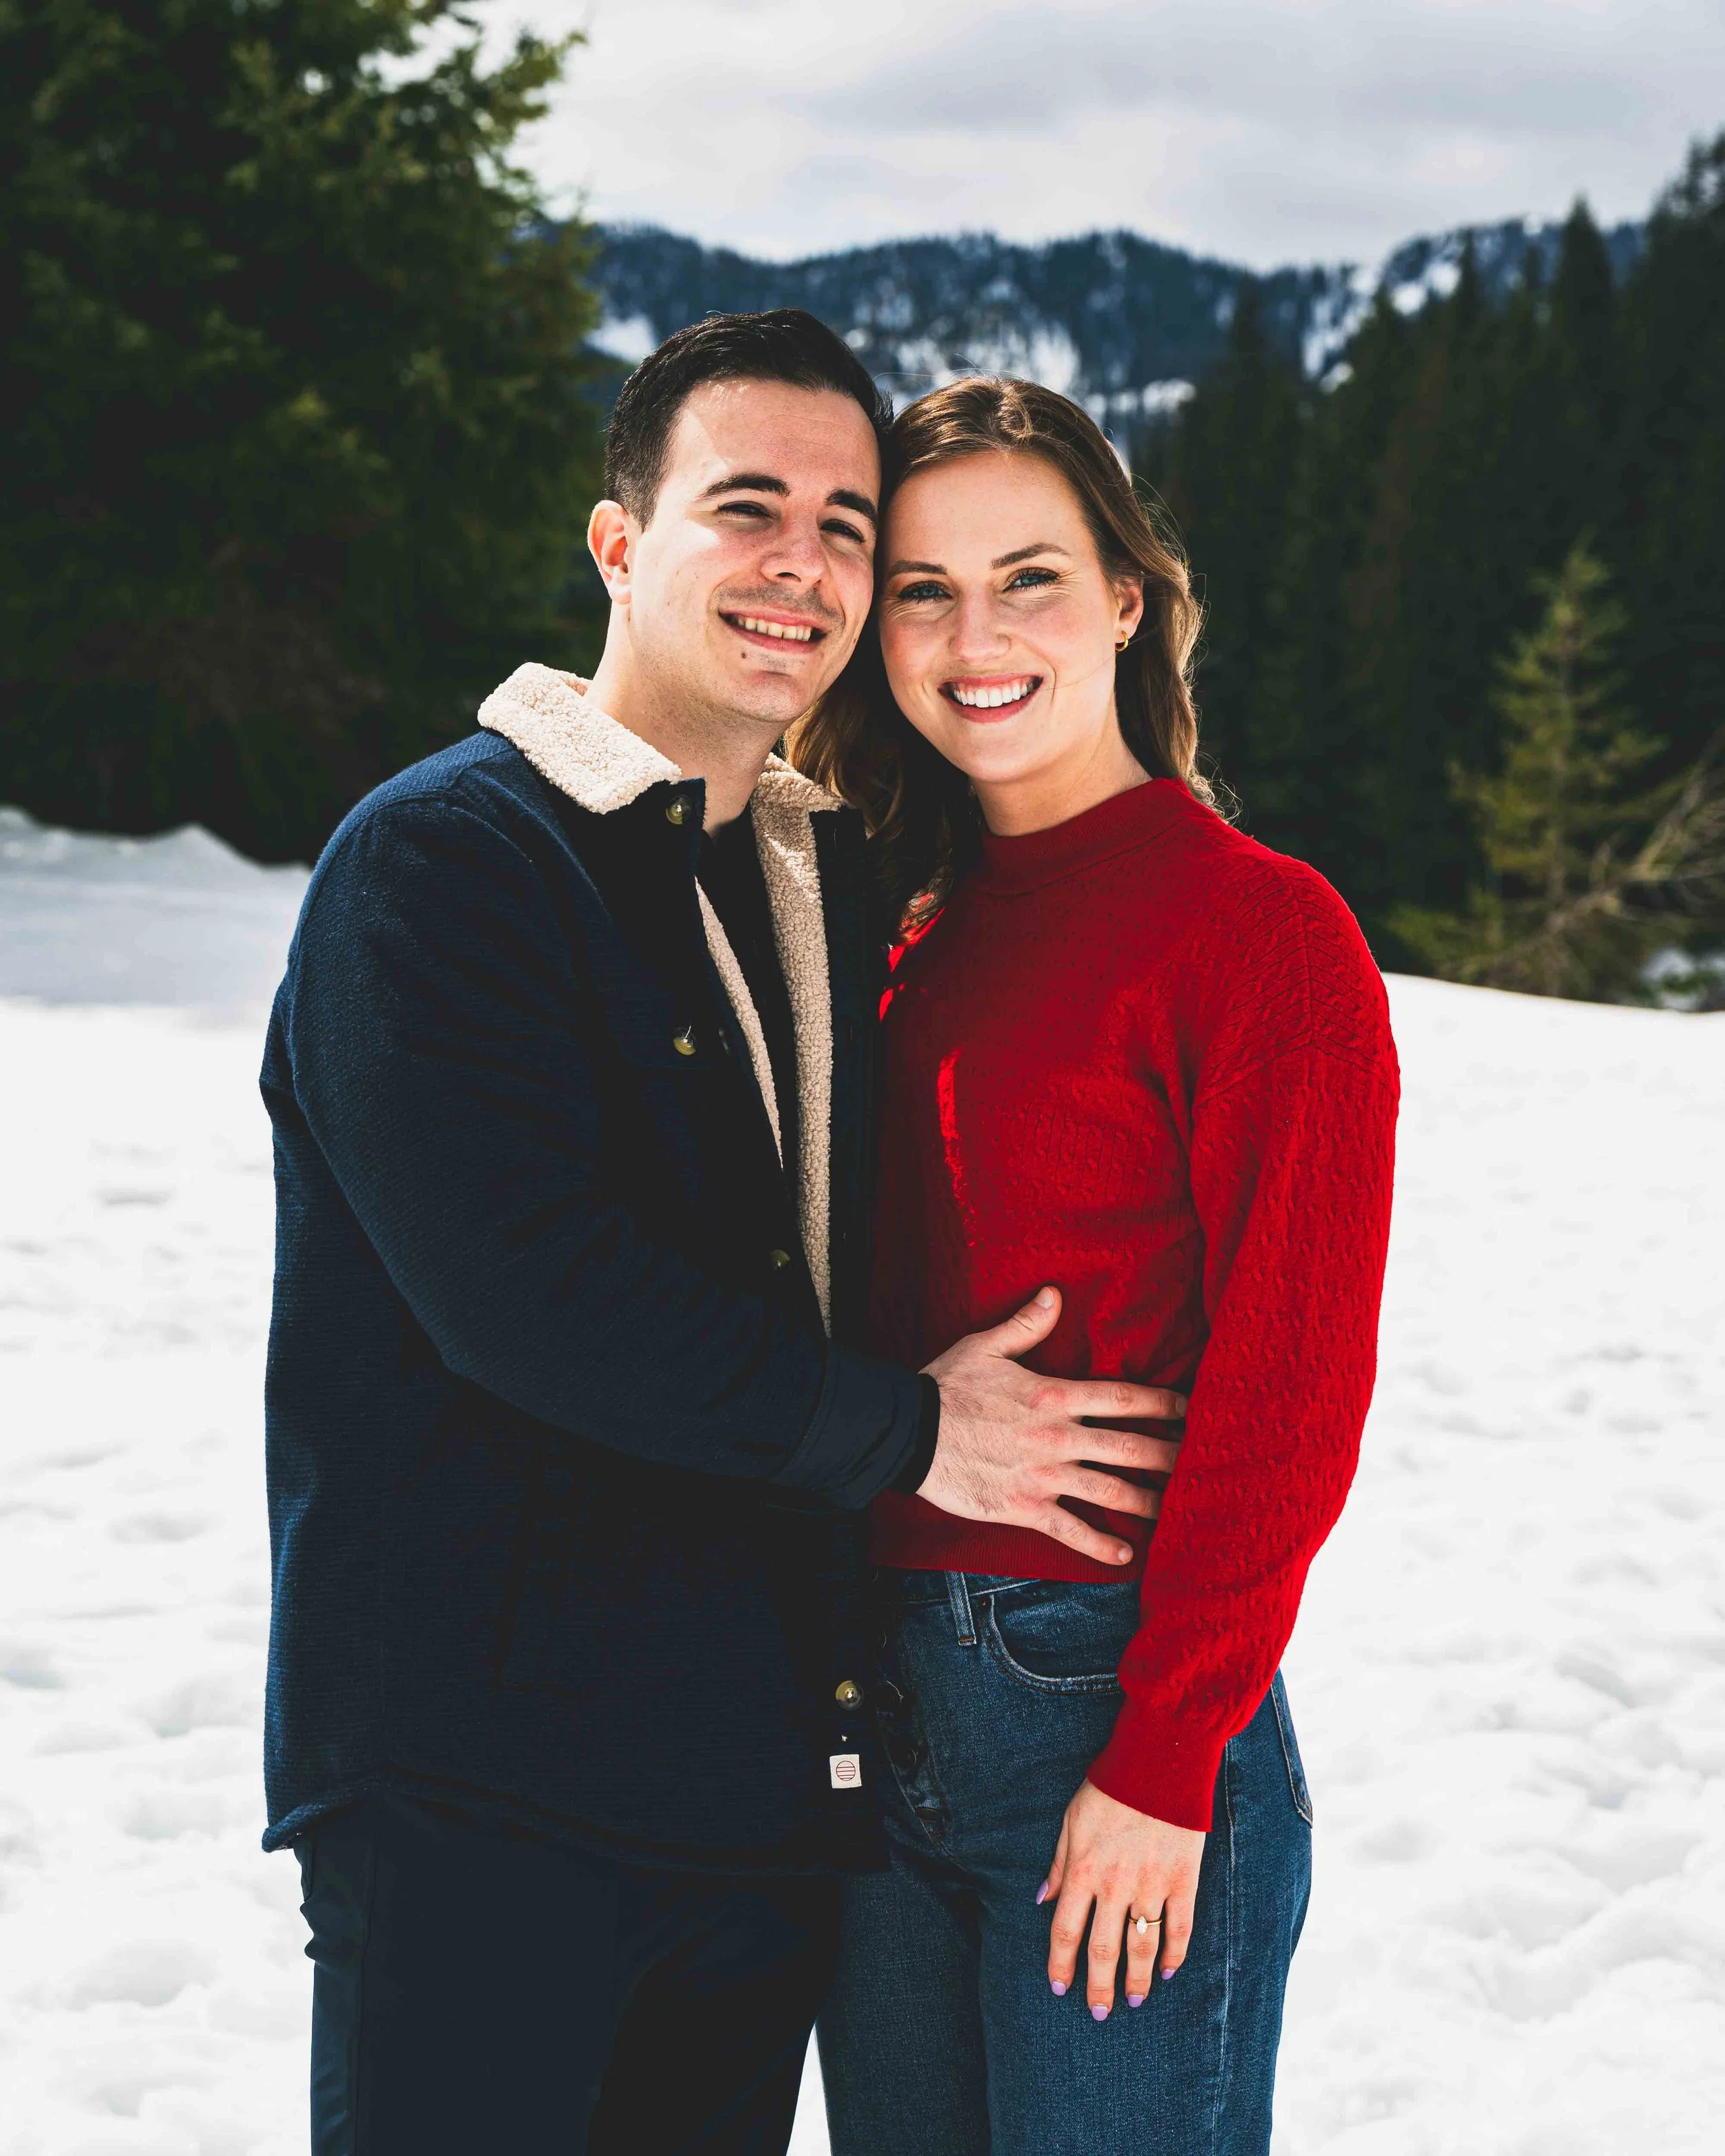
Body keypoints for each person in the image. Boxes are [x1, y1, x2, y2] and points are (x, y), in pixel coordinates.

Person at [260, 315, 1189, 2155]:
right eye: (745, 505)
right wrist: (920, 1429)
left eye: (848, 525)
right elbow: (531, 1298)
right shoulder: (446, 864)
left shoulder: (815, 880)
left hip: (754, 1792)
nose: (805, 563)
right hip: (483, 1790)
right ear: (620, 544)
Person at [792, 376, 1401, 2156]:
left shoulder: (1262, 936)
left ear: (1127, 598)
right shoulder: (894, 922)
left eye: (1031, 577)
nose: (976, 636)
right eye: (922, 587)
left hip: (1108, 1710)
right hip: (866, 1712)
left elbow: (1293, 1386)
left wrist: (1167, 1753)